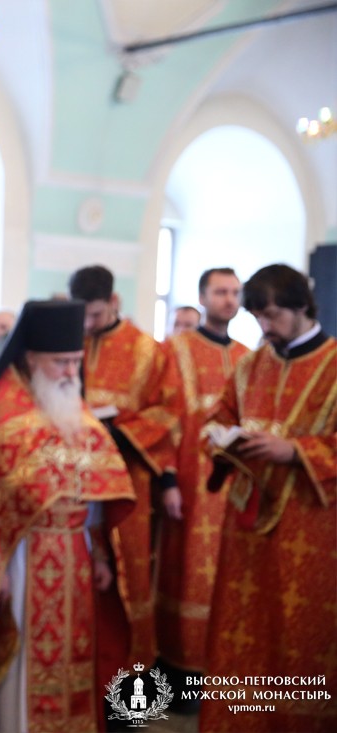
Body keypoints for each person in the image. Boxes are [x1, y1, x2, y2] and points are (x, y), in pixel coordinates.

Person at [0, 300, 135, 733]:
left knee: (71, 660)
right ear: (31, 359)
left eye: (75, 361)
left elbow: (97, 491)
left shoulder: (78, 413)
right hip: (20, 562)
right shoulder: (0, 416)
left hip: (75, 558)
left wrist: (99, 555)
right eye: (60, 362)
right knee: (19, 668)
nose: (70, 372)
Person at [199, 264, 335, 733]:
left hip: (312, 530)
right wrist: (218, 438)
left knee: (296, 632)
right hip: (247, 529)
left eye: (272, 315)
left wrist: (295, 451)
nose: (264, 326)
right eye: (257, 316)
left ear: (302, 306)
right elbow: (219, 416)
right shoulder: (250, 365)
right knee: (244, 628)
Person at [68, 264, 181, 724]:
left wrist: (120, 431)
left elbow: (169, 413)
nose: (88, 324)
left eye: (95, 315)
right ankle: (77, 694)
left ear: (113, 302)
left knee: (128, 586)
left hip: (126, 484)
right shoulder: (68, 339)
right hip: (73, 484)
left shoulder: (148, 351)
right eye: (83, 315)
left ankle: (127, 706)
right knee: (78, 585)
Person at [156, 268, 250, 706]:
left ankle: (217, 672)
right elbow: (164, 419)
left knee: (227, 578)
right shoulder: (175, 350)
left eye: (235, 292)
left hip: (233, 488)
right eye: (220, 292)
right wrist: (168, 480)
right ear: (203, 297)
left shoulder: (248, 356)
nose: (229, 300)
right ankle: (176, 674)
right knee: (182, 572)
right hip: (190, 485)